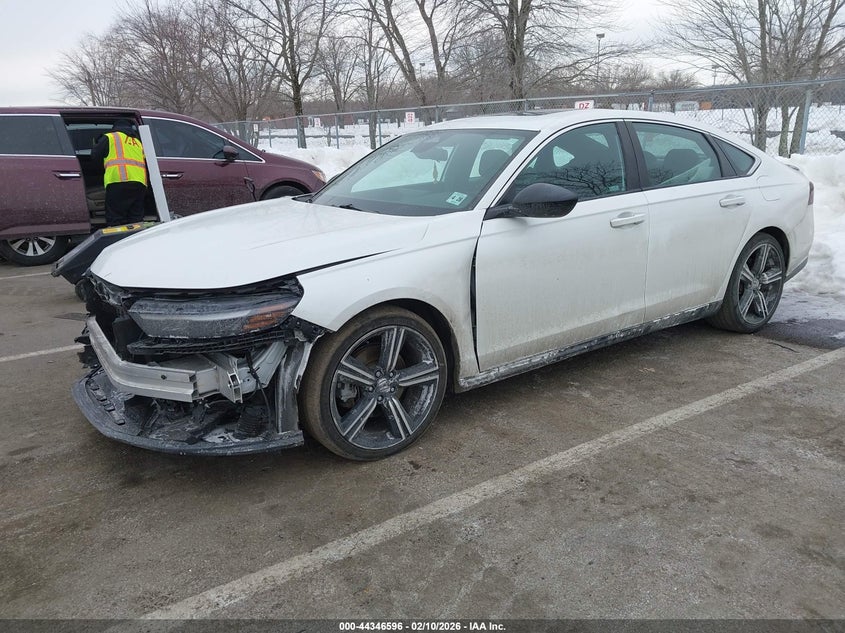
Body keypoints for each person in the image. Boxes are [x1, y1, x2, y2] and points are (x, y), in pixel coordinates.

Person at [92, 119, 148, 226]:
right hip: (139, 182)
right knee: (136, 218)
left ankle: (119, 240)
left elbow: (95, 156)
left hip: (118, 180)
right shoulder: (138, 142)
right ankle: (136, 240)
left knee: (115, 217)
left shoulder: (111, 137)